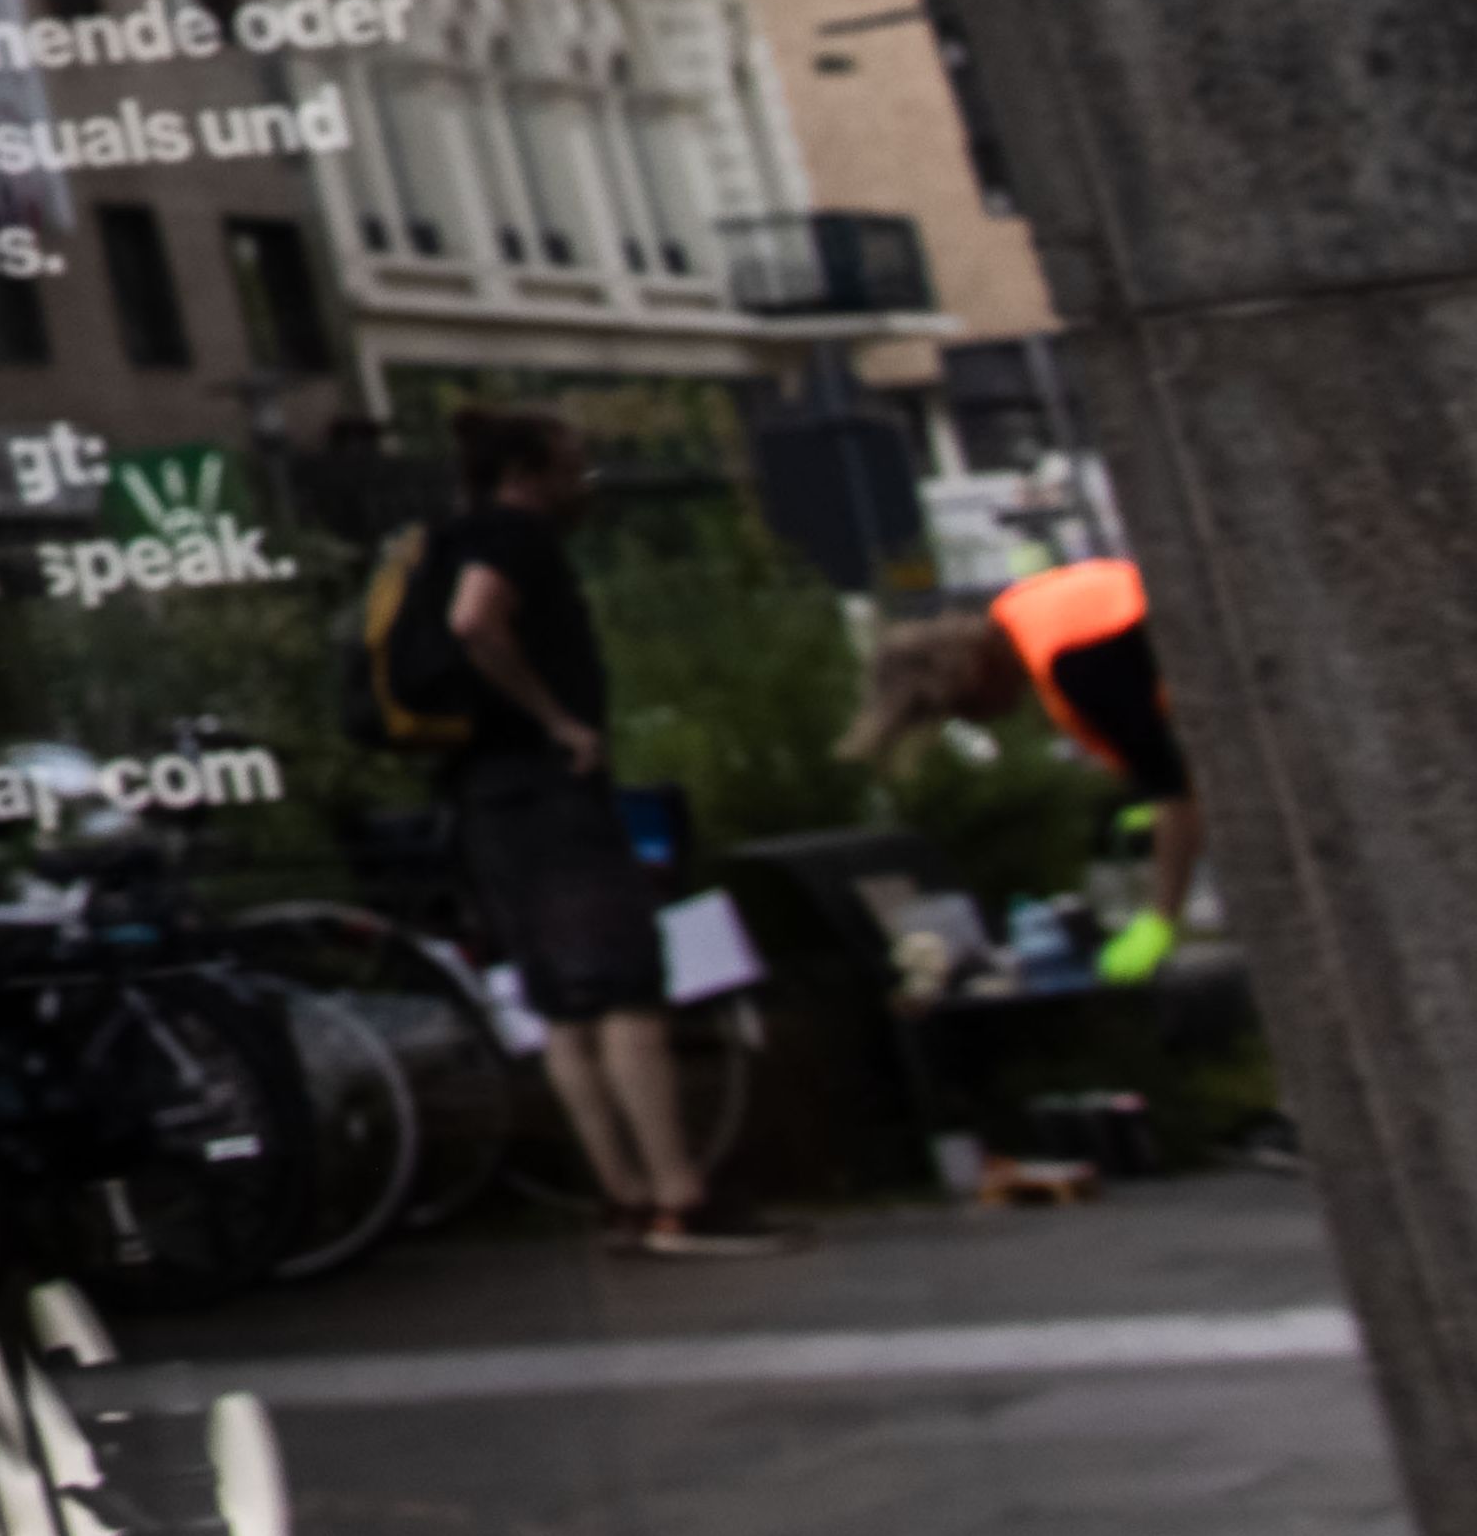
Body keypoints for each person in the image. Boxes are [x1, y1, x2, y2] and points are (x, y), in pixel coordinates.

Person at [409, 407, 786, 1259]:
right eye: (573, 462)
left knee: (562, 1006)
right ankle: (679, 1195)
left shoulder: (441, 539)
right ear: (530, 470)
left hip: (482, 792)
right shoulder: (516, 535)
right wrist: (559, 722)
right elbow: (478, 619)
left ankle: (624, 1195)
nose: (585, 478)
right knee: (622, 985)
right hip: (547, 788)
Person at [846, 553, 1209, 968]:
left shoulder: (1074, 659)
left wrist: (1160, 920)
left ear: (969, 674)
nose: (984, 719)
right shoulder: (1023, 610)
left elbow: (1179, 796)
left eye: (965, 708)